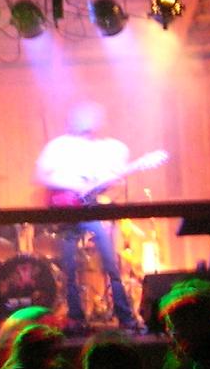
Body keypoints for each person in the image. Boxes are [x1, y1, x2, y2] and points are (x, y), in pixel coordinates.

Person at [34, 102, 139, 330]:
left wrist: (110, 180)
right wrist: (73, 184)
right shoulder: (59, 146)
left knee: (110, 264)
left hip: (89, 208)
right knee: (69, 269)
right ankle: (76, 318)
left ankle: (125, 317)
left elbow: (100, 184)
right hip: (67, 210)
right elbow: (41, 175)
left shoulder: (101, 149)